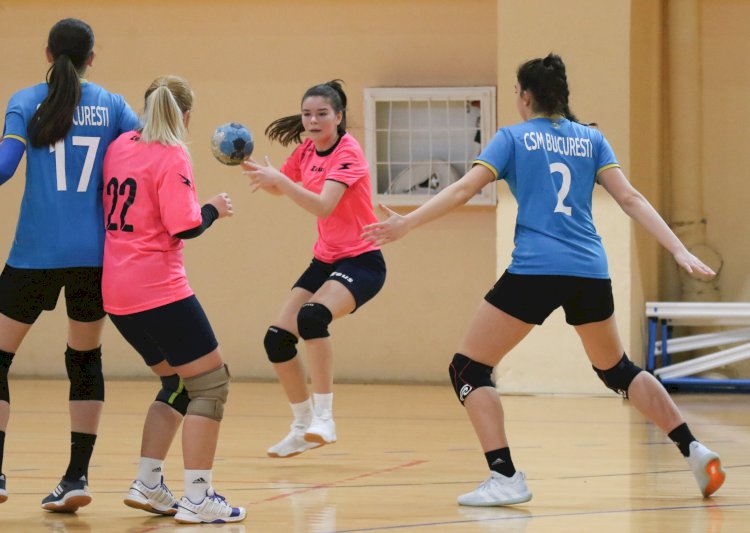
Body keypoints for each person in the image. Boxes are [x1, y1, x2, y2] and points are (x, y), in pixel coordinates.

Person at [361, 53, 725, 506]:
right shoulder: (591, 139)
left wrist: (407, 224)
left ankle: (505, 476)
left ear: (526, 96)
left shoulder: (512, 138)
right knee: (617, 370)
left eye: (516, 92)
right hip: (590, 270)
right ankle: (694, 448)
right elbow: (630, 199)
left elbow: (462, 188)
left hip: (535, 271)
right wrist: (678, 249)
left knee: (468, 368)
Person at [0, 18, 140, 511]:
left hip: (33, 255)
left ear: (46, 53)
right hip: (94, 258)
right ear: (91, 59)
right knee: (84, 360)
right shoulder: (114, 105)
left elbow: (3, 169)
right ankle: (76, 477)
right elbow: (143, 163)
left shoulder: (22, 101)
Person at [102, 75, 245, 524]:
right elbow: (184, 225)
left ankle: (148, 483)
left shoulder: (120, 144)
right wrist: (215, 209)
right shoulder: (172, 153)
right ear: (184, 116)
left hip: (117, 293)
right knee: (211, 384)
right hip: (158, 289)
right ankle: (199, 497)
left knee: (178, 384)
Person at [241, 80, 386, 458]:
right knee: (277, 339)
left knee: (312, 317)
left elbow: (323, 205)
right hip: (325, 260)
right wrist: (264, 176)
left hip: (362, 260)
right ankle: (302, 426)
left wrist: (283, 183)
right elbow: (283, 186)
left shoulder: (349, 153)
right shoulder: (307, 149)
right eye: (307, 114)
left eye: (322, 114)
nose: (313, 120)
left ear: (339, 117)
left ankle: (325, 418)